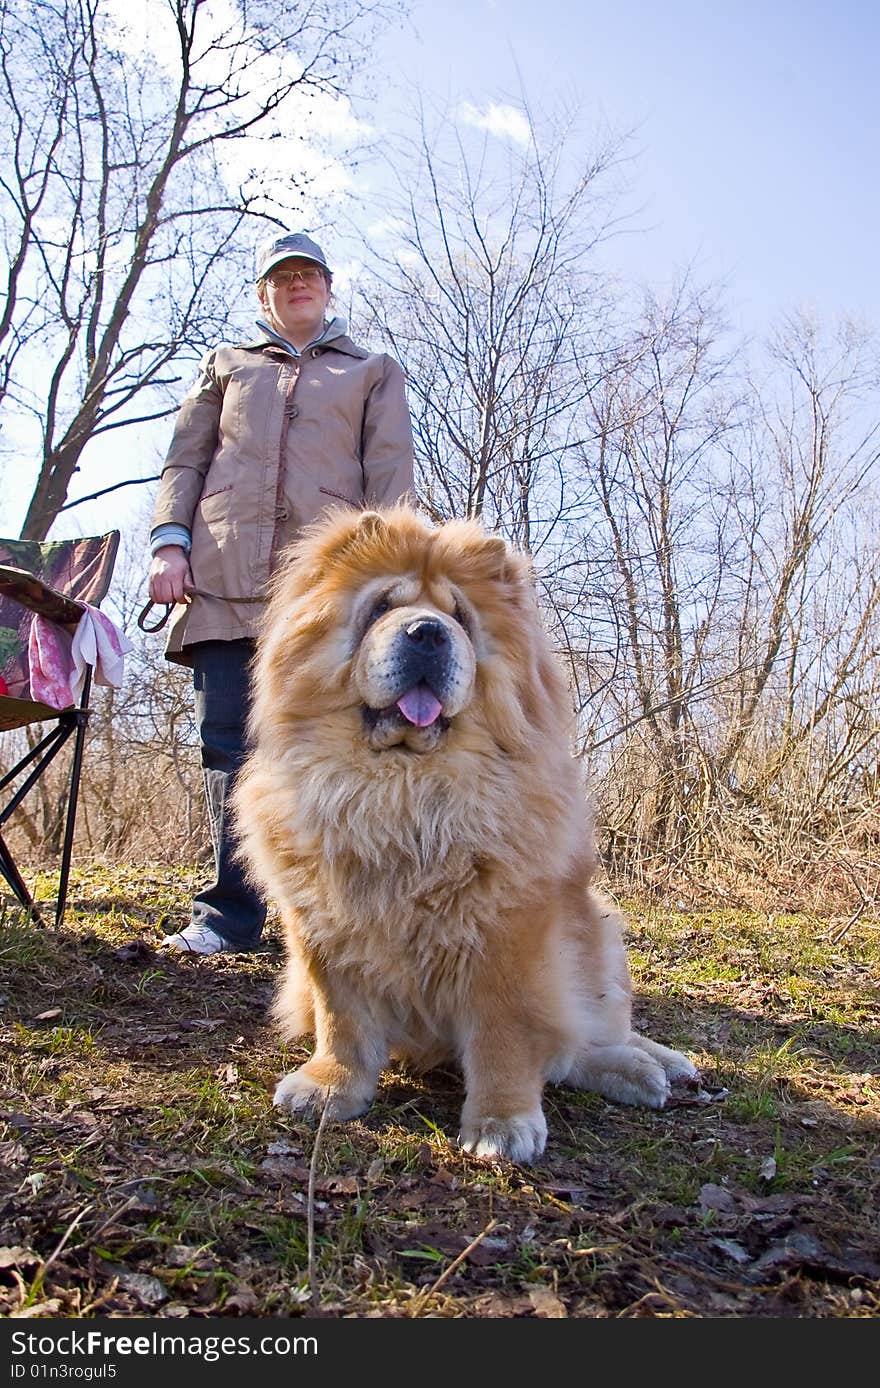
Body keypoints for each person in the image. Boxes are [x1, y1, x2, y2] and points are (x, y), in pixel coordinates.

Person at [146, 230, 415, 954]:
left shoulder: (372, 372)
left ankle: (332, 924)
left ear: (328, 289)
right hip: (223, 581)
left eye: (310, 274)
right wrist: (169, 542)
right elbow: (185, 461)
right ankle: (227, 919)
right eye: (281, 276)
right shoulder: (226, 367)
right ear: (264, 293)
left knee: (336, 749)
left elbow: (391, 480)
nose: (297, 283)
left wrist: (391, 586)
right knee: (227, 744)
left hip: (326, 599)